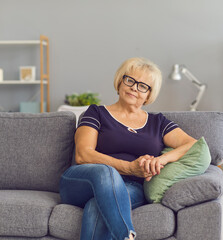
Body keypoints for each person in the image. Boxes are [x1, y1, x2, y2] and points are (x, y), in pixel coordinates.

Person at [59, 57, 196, 240]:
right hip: (83, 180)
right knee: (106, 172)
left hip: (130, 187)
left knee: (97, 206)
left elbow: (193, 145)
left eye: (142, 86)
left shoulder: (158, 122)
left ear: (149, 94)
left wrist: (160, 160)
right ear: (120, 82)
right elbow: (83, 154)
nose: (134, 87)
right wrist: (130, 167)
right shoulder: (96, 113)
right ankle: (126, 235)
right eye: (130, 80)